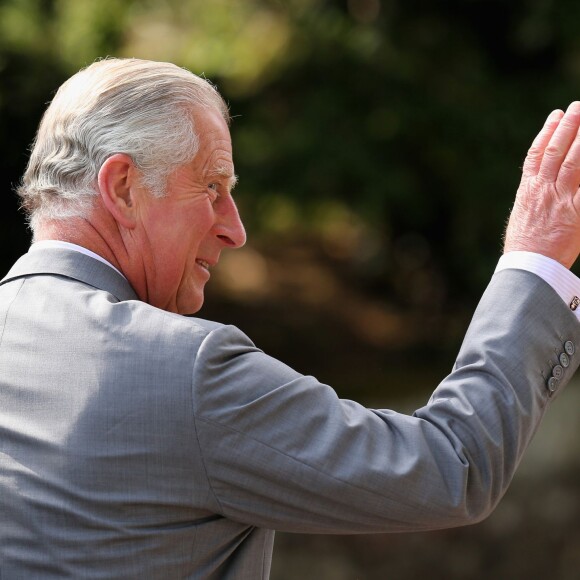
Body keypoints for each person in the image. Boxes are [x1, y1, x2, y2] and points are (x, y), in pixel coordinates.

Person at [0, 57, 579, 579]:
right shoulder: (185, 371)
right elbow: (453, 468)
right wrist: (537, 261)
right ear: (123, 188)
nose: (235, 228)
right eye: (212, 186)